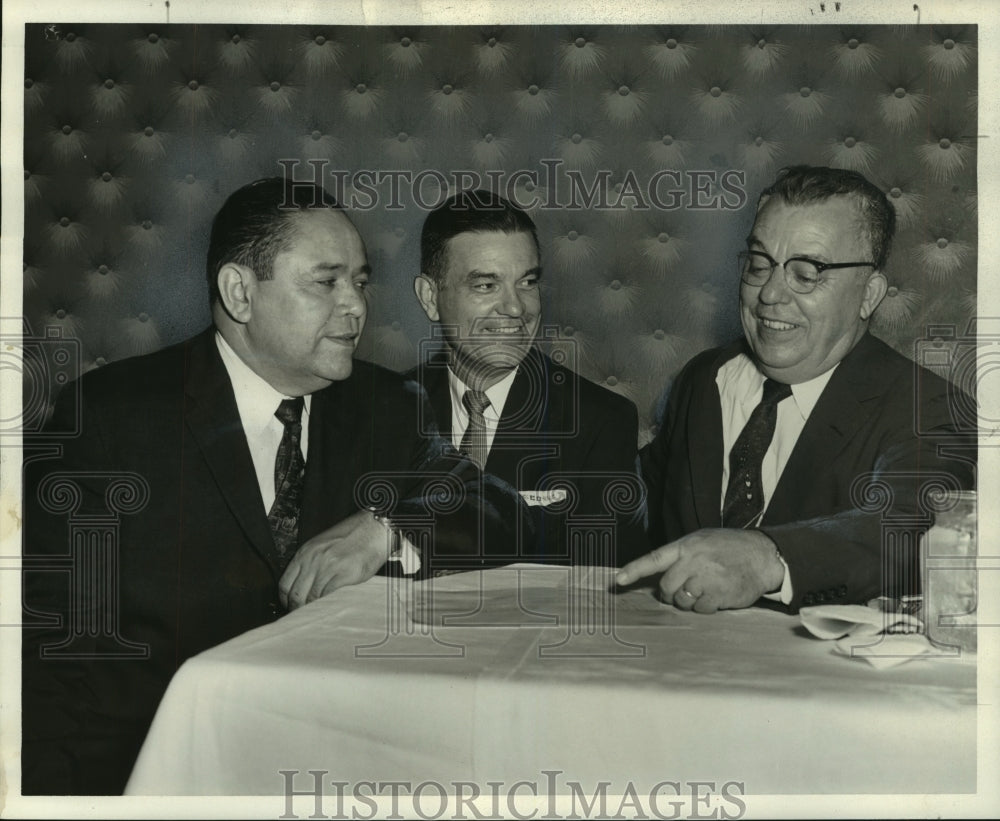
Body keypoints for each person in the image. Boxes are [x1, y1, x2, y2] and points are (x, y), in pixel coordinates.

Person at [21, 177, 529, 794]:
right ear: (239, 292)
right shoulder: (108, 420)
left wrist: (386, 530)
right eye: (326, 281)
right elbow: (43, 655)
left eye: (361, 282)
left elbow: (497, 513)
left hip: (337, 778)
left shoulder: (388, 406)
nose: (356, 306)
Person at [618, 165, 976, 613]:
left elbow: (914, 527)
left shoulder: (930, 407)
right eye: (759, 264)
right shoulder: (705, 377)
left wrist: (768, 555)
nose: (770, 294)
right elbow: (635, 503)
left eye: (806, 273)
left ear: (869, 294)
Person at [410, 190, 647, 568]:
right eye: (486, 285)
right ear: (429, 298)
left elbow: (605, 592)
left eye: (527, 282)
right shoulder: (387, 409)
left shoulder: (600, 422)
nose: (517, 307)